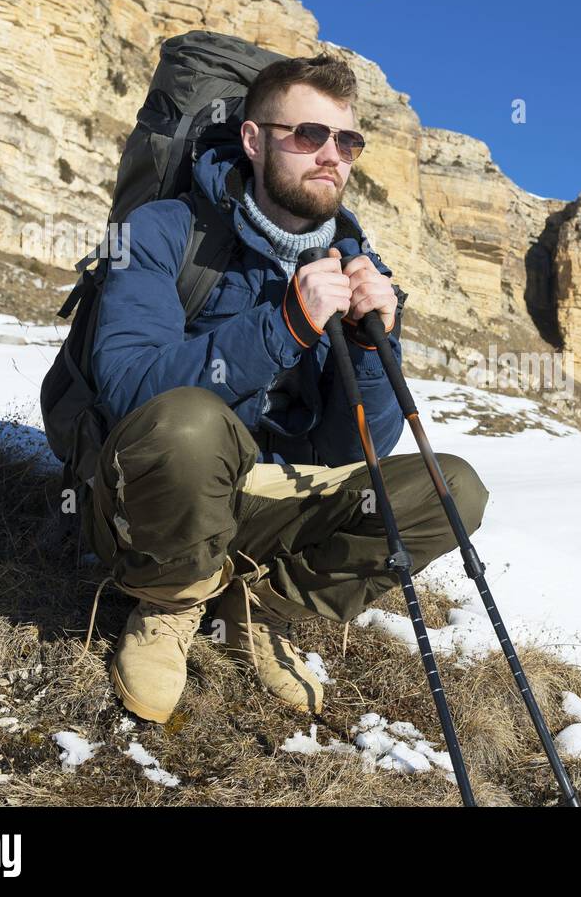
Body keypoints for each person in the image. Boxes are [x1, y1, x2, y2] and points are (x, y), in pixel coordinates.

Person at [83, 53, 489, 724]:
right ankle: (171, 601)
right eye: (308, 135)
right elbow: (129, 391)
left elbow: (354, 444)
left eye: (347, 140)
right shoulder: (162, 231)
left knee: (453, 493)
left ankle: (259, 607)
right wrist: (284, 326)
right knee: (189, 421)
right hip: (153, 492)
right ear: (253, 139)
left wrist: (367, 346)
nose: (332, 155)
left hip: (267, 499)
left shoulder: (355, 262)